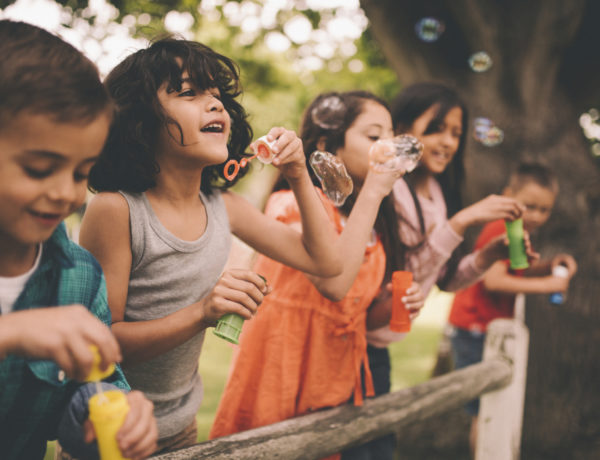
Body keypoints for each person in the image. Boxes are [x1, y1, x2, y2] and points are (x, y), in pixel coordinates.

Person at [78, 37, 342, 453]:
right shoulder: (117, 211)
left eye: (217, 96)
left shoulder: (225, 207)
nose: (216, 104)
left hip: (182, 430)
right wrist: (203, 312)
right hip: (112, 430)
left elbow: (325, 262)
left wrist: (297, 174)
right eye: (188, 92)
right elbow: (99, 342)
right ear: (140, 121)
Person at [209, 90, 425, 460]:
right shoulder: (292, 206)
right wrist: (374, 191)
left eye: (391, 135)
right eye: (374, 136)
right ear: (328, 146)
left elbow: (355, 311)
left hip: (336, 380)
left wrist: (393, 304)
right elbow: (333, 286)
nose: (388, 146)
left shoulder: (369, 225)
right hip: (282, 372)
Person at [0, 19, 157, 460]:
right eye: (38, 168)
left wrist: (112, 412)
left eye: (80, 172)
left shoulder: (81, 276)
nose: (66, 192)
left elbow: (89, 390)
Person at [352, 82, 527, 460]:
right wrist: (460, 223)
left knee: (378, 446)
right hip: (355, 343)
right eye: (436, 128)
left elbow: (443, 279)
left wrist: (486, 257)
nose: (448, 142)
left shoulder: (437, 191)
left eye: (456, 134)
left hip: (379, 350)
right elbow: (404, 276)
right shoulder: (388, 190)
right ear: (400, 130)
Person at [448, 161, 577, 456]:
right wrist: (548, 287)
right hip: (474, 328)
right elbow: (495, 281)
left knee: (496, 405)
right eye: (530, 206)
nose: (537, 215)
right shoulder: (501, 226)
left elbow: (517, 269)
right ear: (508, 196)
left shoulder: (517, 228)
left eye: (545, 210)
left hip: (490, 329)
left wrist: (548, 268)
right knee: (485, 410)